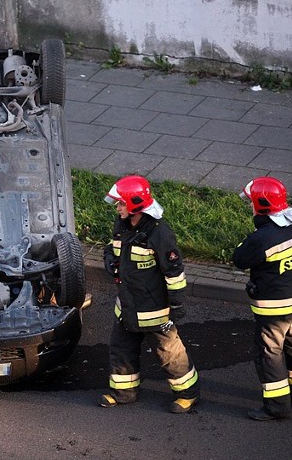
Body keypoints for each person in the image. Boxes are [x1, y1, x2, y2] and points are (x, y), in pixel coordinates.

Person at [100, 175, 200, 413]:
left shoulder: (160, 234)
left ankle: (188, 393)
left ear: (135, 204)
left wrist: (176, 306)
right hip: (126, 305)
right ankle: (123, 393)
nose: (118, 207)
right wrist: (110, 262)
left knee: (169, 352)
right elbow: (112, 250)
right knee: (121, 348)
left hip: (154, 309)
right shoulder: (122, 225)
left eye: (121, 203)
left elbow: (174, 273)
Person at [233, 177, 292, 421]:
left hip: (274, 308)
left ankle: (277, 407)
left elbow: (240, 259)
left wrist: (252, 236)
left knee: (270, 353)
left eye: (252, 202)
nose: (250, 206)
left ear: (262, 204)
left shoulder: (262, 238)